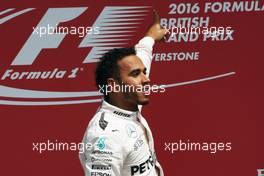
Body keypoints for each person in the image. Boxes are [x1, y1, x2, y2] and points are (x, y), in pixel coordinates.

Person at [79, 10, 168, 176]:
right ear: (114, 86)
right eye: (136, 74)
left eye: (144, 72)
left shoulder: (127, 104)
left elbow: (143, 54)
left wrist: (150, 36)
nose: (146, 79)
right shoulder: (104, 137)